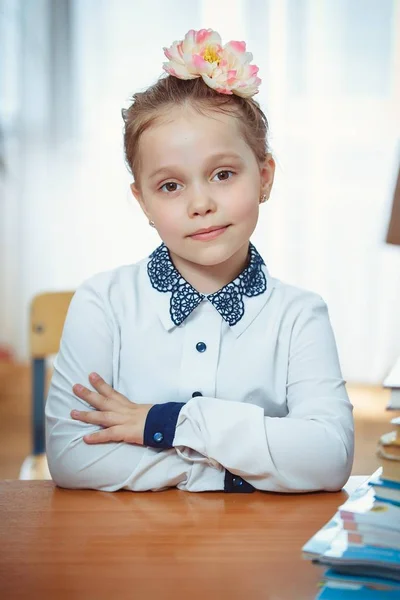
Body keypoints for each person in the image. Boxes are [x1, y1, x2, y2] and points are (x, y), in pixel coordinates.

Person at [45, 29, 354, 494]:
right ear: (143, 201)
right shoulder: (101, 302)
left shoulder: (300, 316)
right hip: (131, 552)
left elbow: (328, 458)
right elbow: (72, 455)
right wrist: (238, 465)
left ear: (264, 177)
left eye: (223, 174)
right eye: (170, 185)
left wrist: (163, 423)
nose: (200, 203)